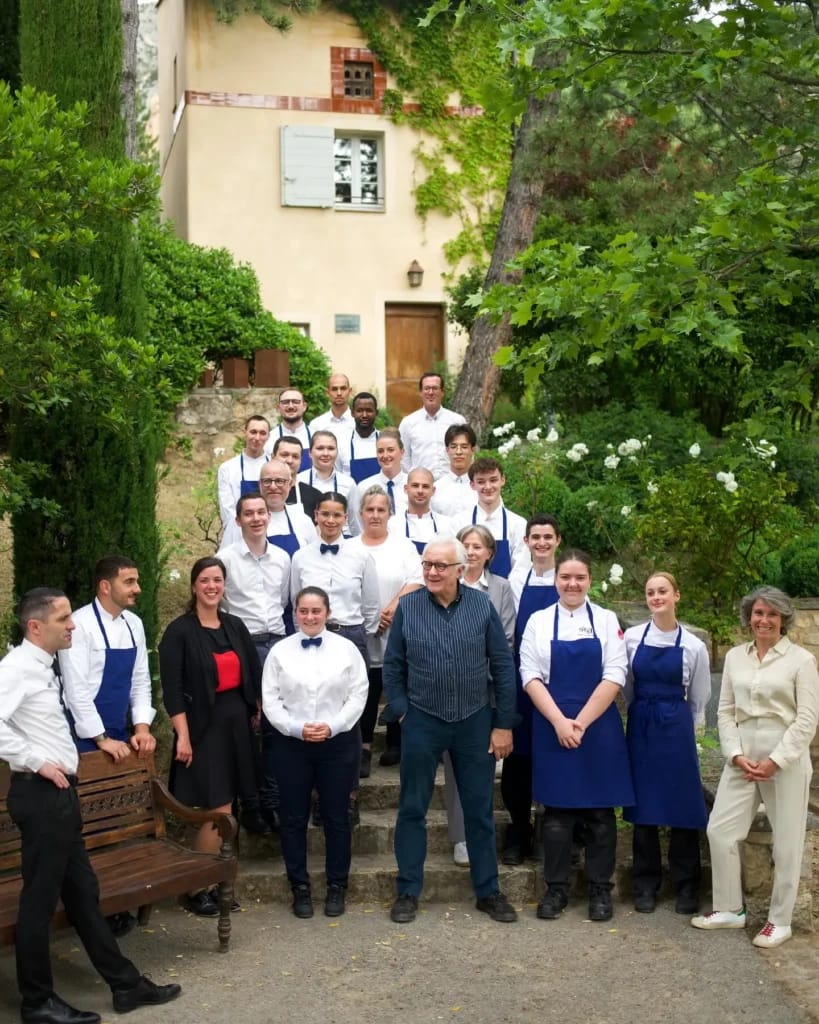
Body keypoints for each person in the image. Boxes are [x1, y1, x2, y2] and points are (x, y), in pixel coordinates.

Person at [0, 587, 180, 1024]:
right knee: (38, 905)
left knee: (83, 895)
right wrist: (35, 761)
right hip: (41, 799)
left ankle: (124, 984)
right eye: (63, 619)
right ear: (36, 626)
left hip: (61, 799)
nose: (73, 624)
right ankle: (37, 1002)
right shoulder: (18, 667)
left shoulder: (45, 666)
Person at [383, 538, 518, 925]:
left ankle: (488, 890)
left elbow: (503, 666)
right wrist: (404, 713)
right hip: (422, 720)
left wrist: (503, 723)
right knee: (412, 809)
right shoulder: (408, 608)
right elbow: (393, 668)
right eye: (427, 565)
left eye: (440, 566)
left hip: (474, 720)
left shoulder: (481, 606)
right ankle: (408, 890)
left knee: (479, 810)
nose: (432, 572)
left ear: (460, 569)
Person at [692, 586, 819, 948]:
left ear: (783, 620)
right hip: (743, 756)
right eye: (758, 613)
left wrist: (777, 760)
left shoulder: (800, 661)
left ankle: (780, 921)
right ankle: (730, 908)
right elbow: (726, 711)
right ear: (749, 617)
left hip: (785, 757)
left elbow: (807, 719)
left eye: (772, 615)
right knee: (720, 830)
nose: (764, 620)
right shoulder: (735, 657)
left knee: (787, 843)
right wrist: (734, 754)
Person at [519, 549, 633, 923]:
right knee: (556, 815)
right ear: (556, 581)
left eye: (579, 577)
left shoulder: (605, 620)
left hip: (596, 723)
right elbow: (530, 675)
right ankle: (556, 889)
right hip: (551, 720)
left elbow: (615, 673)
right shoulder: (538, 621)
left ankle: (601, 890)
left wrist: (579, 722)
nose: (572, 583)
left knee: (601, 813)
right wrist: (559, 722)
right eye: (565, 577)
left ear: (589, 581)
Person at [59, 554, 157, 938]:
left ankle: (112, 901)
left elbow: (140, 680)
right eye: (129, 582)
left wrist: (142, 726)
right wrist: (101, 739)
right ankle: (87, 908)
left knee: (115, 821)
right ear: (106, 586)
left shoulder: (134, 624)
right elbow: (75, 689)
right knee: (84, 825)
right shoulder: (78, 626)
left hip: (119, 732)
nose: (137, 589)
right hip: (82, 737)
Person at [159, 557, 262, 918]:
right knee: (216, 811)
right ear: (193, 586)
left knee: (228, 807)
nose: (211, 586)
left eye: (217, 579)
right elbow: (172, 691)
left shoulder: (235, 626)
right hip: (203, 729)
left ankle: (214, 884)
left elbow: (253, 671)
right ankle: (194, 887)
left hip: (236, 726)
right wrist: (183, 737)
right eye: (204, 580)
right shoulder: (179, 631)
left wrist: (256, 712)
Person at [262, 586, 368, 919]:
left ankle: (338, 886)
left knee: (337, 817)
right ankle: (300, 887)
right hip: (292, 743)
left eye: (316, 611)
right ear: (295, 613)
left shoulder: (347, 649)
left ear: (328, 613)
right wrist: (296, 728)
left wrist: (334, 726)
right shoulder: (279, 652)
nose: (309, 617)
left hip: (337, 743)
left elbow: (358, 695)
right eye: (303, 611)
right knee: (293, 818)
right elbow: (270, 700)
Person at [623, 572, 711, 915]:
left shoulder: (693, 646)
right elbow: (627, 685)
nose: (656, 597)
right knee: (644, 807)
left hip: (677, 724)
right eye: (650, 592)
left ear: (677, 595)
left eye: (663, 591)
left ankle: (687, 885)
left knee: (682, 806)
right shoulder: (631, 638)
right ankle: (646, 884)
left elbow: (699, 697)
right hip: (642, 720)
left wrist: (680, 721)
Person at [442, 525, 516, 866]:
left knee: (481, 766)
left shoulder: (500, 589)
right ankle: (460, 836)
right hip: (448, 690)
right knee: (455, 769)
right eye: (465, 546)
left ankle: (478, 832)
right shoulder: (445, 585)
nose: (471, 552)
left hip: (485, 688)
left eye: (478, 546)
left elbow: (505, 639)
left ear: (489, 553)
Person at [219, 492, 292, 835]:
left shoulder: (282, 558)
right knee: (249, 727)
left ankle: (273, 800)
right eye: (248, 513)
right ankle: (250, 804)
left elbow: (283, 602)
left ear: (269, 516)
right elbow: (220, 608)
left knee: (276, 726)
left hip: (276, 645)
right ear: (238, 520)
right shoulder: (226, 560)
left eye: (261, 512)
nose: (256, 518)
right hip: (243, 647)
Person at [346, 485, 423, 776]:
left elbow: (417, 579)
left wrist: (391, 608)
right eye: (370, 509)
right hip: (362, 633)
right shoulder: (350, 548)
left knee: (396, 686)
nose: (375, 515)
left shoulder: (403, 546)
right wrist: (370, 618)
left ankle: (395, 742)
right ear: (361, 513)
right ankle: (363, 746)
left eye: (381, 509)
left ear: (390, 513)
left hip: (398, 627)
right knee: (365, 690)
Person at [504, 514, 562, 864]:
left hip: (561, 678)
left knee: (555, 755)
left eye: (547, 537)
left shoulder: (567, 579)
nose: (541, 543)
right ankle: (519, 828)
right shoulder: (516, 578)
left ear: (557, 541)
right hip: (521, 676)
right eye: (535, 537)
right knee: (518, 759)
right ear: (525, 542)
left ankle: (554, 829)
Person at [452, 457, 527, 579]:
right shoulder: (459, 522)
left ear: (502, 480)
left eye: (493, 480)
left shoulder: (518, 524)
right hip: (467, 593)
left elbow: (521, 570)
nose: (488, 487)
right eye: (481, 482)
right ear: (472, 485)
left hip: (504, 594)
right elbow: (455, 564)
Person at [398, 372, 465, 479]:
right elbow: (403, 457)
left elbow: (467, 453)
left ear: (442, 392)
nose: (430, 392)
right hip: (421, 488)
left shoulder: (457, 421)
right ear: (420, 392)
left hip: (451, 484)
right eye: (427, 388)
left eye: (435, 388)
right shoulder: (408, 423)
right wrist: (414, 478)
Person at [216, 415, 270, 547]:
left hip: (270, 531)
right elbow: (227, 509)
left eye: (262, 433)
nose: (257, 438)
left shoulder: (274, 467)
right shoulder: (228, 468)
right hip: (237, 533)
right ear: (244, 433)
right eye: (253, 432)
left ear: (268, 436)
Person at [346, 427, 408, 535]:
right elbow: (356, 524)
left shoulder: (412, 485)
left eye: (390, 450)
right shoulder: (363, 487)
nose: (385, 455)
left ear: (402, 452)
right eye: (380, 451)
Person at [258, 457, 317, 558]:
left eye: (280, 481)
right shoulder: (245, 521)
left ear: (290, 484)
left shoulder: (303, 520)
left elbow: (315, 561)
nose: (273, 487)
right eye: (267, 481)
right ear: (259, 484)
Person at [390, 467, 454, 554]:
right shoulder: (392, 525)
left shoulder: (447, 524)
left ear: (433, 491)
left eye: (425, 486)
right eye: (415, 486)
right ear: (406, 489)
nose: (420, 491)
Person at [431, 424, 479, 518]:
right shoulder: (436, 489)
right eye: (453, 447)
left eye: (464, 447)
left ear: (472, 450)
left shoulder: (483, 488)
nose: (458, 452)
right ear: (447, 450)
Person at [272, 435, 322, 519]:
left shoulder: (314, 496)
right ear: (272, 457)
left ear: (301, 461)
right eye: (284, 455)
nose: (289, 460)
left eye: (295, 456)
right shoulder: (261, 496)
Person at [297, 429, 355, 499]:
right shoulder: (298, 481)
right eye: (320, 448)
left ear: (337, 452)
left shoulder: (348, 484)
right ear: (310, 453)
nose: (325, 453)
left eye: (331, 448)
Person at [337, 392, 380, 483]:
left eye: (369, 410)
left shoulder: (384, 441)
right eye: (359, 410)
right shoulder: (341, 442)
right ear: (352, 413)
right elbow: (338, 475)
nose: (364, 415)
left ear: (376, 413)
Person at [267, 388, 312, 471]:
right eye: (285, 402)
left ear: (304, 406)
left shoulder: (315, 436)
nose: (291, 406)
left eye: (295, 402)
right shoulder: (268, 439)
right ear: (278, 407)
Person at [308, 373, 354, 438]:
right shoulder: (317, 425)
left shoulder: (357, 423)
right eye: (334, 389)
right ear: (327, 393)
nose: (339, 393)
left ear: (349, 391)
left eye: (343, 388)